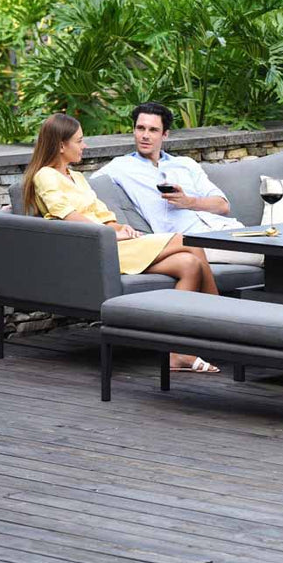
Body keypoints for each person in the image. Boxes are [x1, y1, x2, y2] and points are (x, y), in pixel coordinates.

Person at [22, 113, 221, 373]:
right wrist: (110, 234)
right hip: (94, 250)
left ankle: (176, 352)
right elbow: (68, 217)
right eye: (80, 141)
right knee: (186, 241)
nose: (85, 146)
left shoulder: (77, 177)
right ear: (61, 145)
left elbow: (103, 215)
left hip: (110, 242)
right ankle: (225, 326)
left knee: (189, 265)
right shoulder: (46, 176)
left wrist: (119, 227)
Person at [91, 102, 260, 265]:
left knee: (278, 245)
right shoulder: (120, 167)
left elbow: (223, 206)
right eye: (140, 128)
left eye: (153, 130)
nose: (145, 135)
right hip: (189, 240)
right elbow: (82, 187)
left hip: (227, 228)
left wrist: (189, 202)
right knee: (271, 256)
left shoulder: (186, 164)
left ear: (165, 134)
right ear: (134, 130)